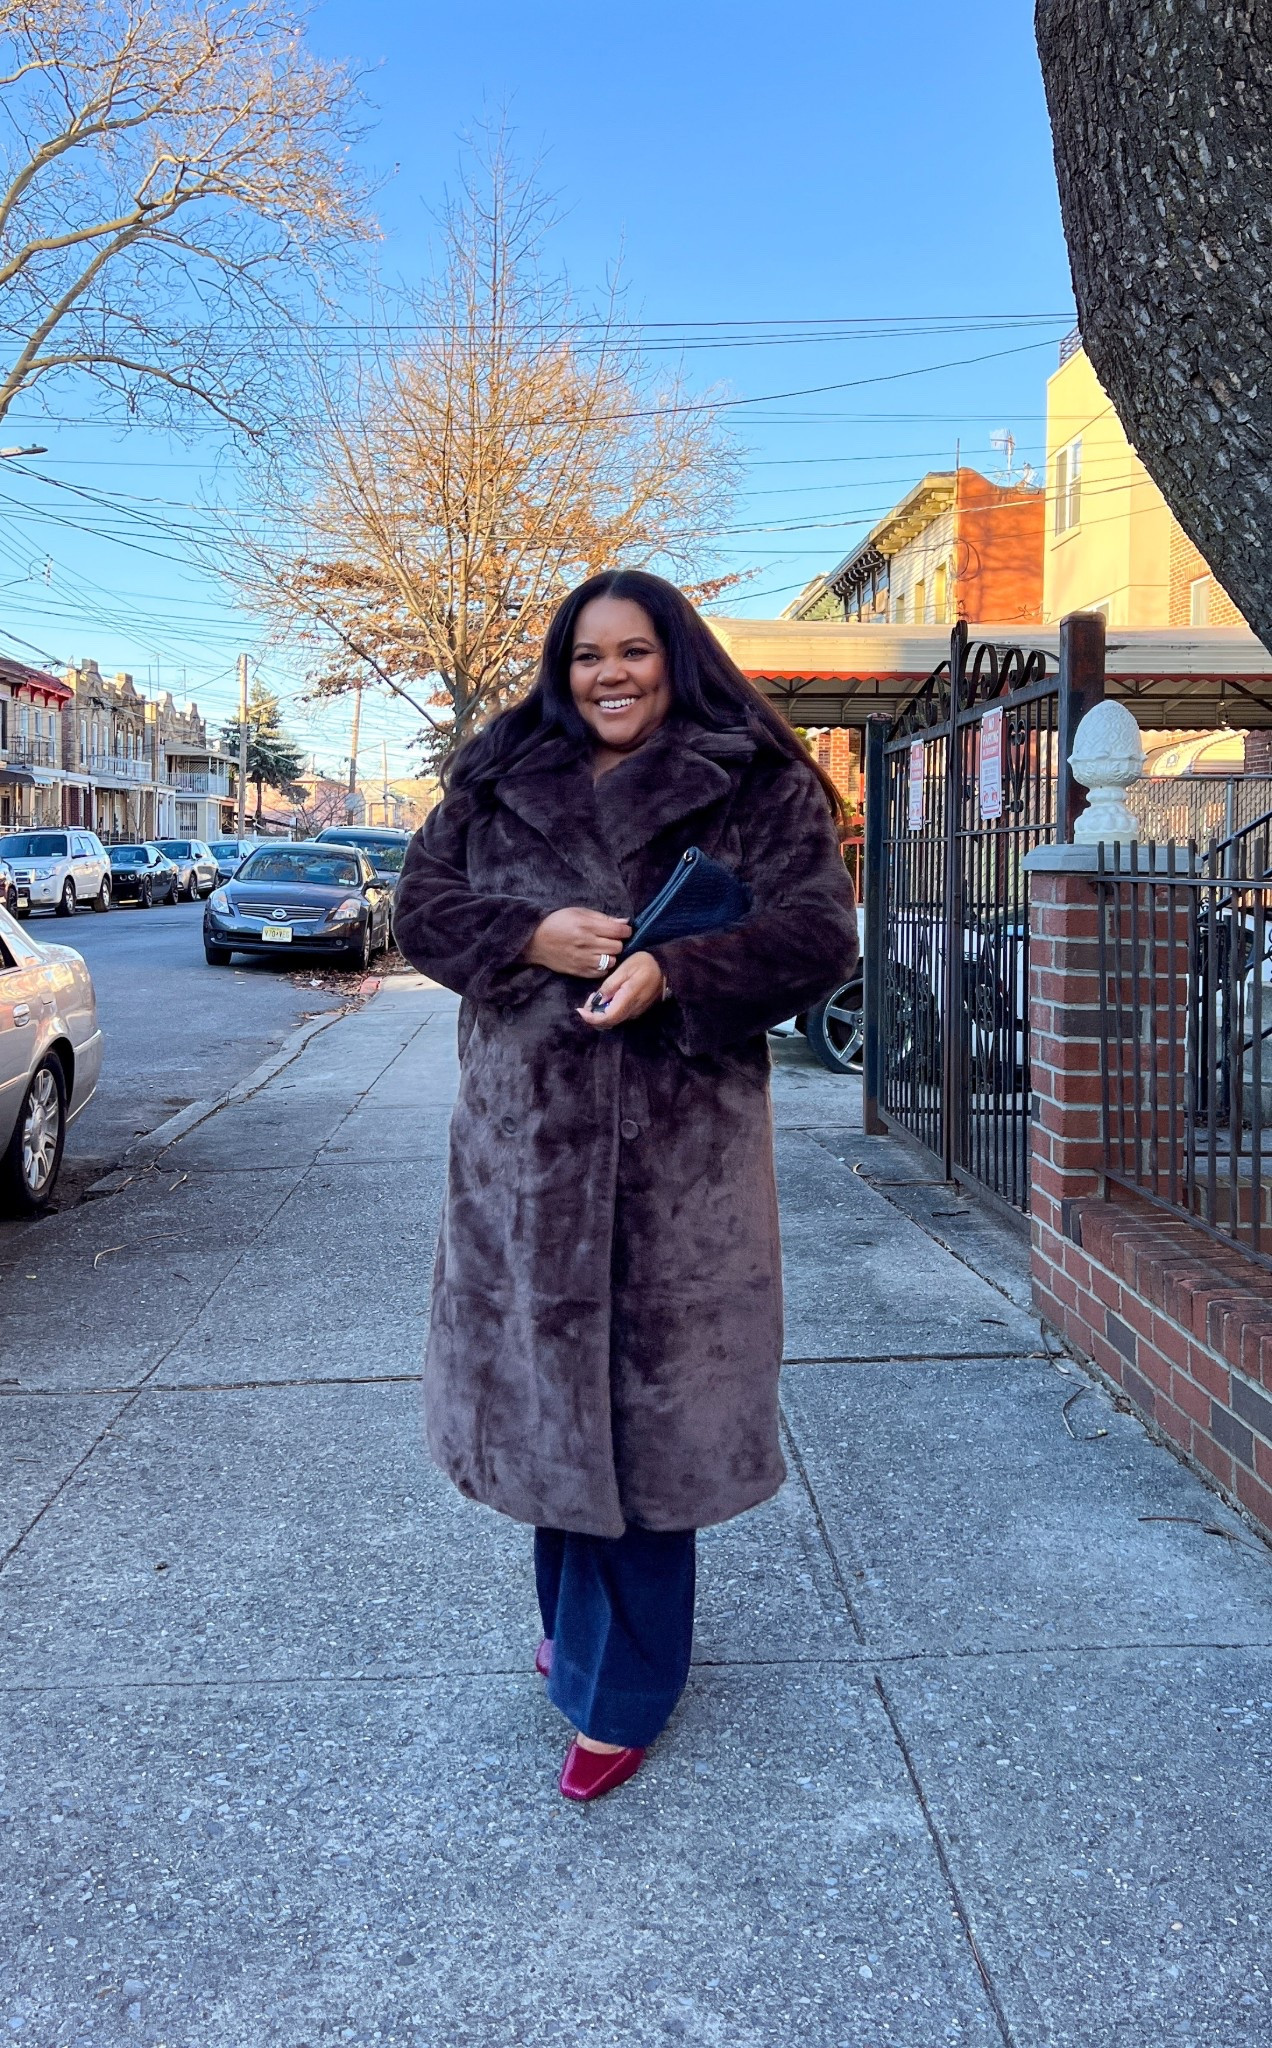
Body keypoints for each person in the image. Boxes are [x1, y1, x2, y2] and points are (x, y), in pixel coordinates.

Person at [394, 569, 858, 1801]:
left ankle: (624, 1691)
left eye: (635, 652)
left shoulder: (752, 782)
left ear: (674, 657)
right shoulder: (498, 777)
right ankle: (582, 1645)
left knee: (650, 1438)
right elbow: (420, 909)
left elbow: (819, 934)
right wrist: (528, 935)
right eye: (589, 654)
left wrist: (677, 967)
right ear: (562, 666)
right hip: (525, 1158)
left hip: (677, 1169)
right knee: (554, 1422)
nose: (611, 675)